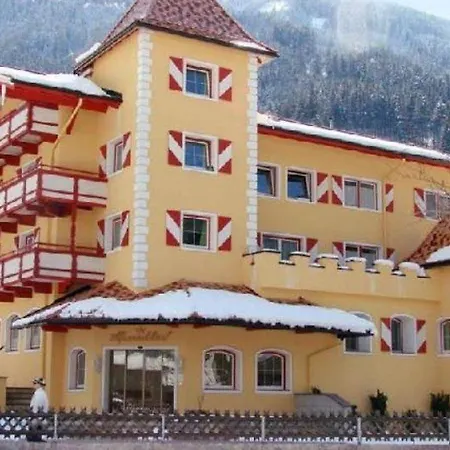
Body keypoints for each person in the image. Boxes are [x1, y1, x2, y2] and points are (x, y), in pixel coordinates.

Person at [27, 377, 49, 442]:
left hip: (36, 415)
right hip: (41, 415)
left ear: (39, 384)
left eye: (35, 383)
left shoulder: (38, 394)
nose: (34, 385)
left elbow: (36, 405)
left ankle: (34, 437)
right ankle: (37, 437)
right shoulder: (43, 393)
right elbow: (46, 405)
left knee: (35, 426)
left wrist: (34, 413)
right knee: (38, 427)